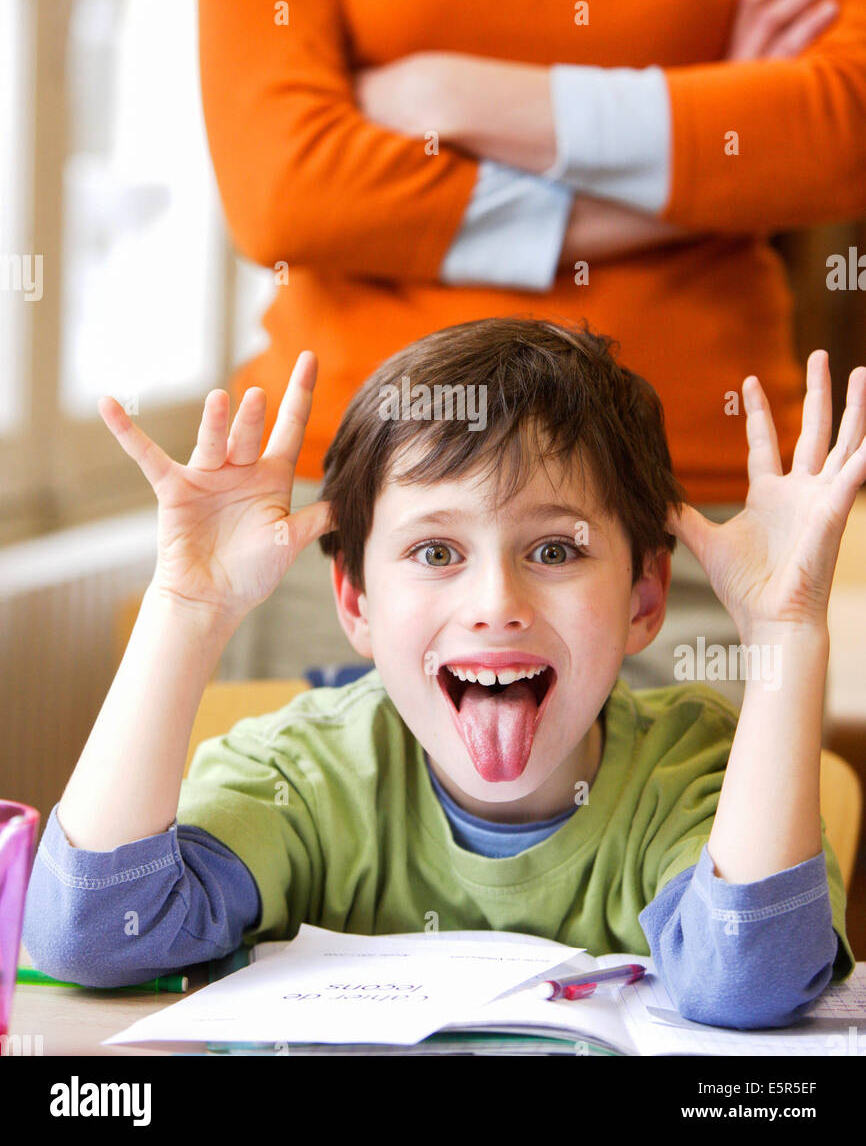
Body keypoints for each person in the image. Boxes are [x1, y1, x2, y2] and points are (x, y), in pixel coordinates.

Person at [196, 0, 866, 694]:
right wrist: (702, 149)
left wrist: (452, 95)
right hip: (356, 501)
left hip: (691, 507)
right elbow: (283, 185)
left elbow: (842, 127)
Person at [21, 318, 862, 1028]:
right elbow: (95, 933)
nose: (497, 603)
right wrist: (187, 607)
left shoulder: (693, 774)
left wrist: (786, 632)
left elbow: (751, 981)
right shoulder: (305, 778)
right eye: (435, 551)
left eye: (556, 549)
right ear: (353, 598)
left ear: (645, 593)